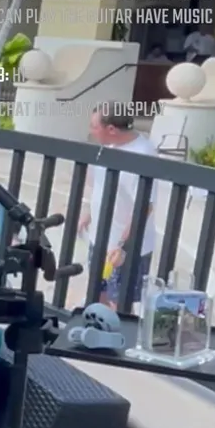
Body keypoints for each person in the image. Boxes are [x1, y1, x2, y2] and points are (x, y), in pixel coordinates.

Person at [79, 108, 158, 309]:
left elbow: (144, 206)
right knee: (98, 292)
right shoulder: (108, 146)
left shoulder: (142, 155)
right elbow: (99, 184)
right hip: (100, 238)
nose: (91, 131)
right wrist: (88, 213)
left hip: (124, 246)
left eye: (94, 126)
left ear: (112, 129)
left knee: (120, 303)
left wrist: (123, 244)